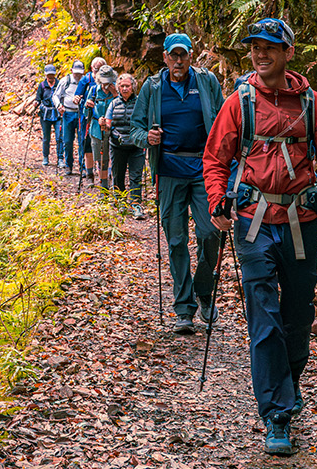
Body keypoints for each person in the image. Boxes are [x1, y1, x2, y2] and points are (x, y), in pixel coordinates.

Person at [205, 18, 317, 456]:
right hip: (253, 223)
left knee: (297, 315)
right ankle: (276, 414)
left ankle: (289, 381)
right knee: (263, 317)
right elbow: (216, 158)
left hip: (301, 222)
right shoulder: (240, 102)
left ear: (288, 52)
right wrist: (218, 201)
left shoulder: (311, 103)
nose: (260, 54)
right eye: (255, 47)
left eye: (270, 47)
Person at [126, 34, 225, 335]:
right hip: (168, 170)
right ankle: (184, 308)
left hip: (203, 168)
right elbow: (135, 127)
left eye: (183, 55)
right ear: (166, 58)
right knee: (176, 240)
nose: (178, 61)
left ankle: (204, 291)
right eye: (173, 56)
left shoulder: (207, 82)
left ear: (190, 56)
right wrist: (148, 139)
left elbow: (224, 122)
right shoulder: (152, 88)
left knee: (211, 233)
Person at [103, 72, 144, 219]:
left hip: (136, 146)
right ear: (118, 88)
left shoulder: (140, 103)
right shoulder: (113, 103)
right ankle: (120, 201)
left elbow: (145, 121)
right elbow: (108, 123)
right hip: (117, 145)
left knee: (136, 176)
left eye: (128, 86)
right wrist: (104, 125)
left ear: (133, 87)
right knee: (118, 175)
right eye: (122, 86)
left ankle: (136, 205)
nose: (125, 89)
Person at [52, 61, 87, 175]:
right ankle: (68, 165)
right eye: (76, 73)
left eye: (80, 73)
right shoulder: (65, 81)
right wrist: (58, 106)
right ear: (71, 71)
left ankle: (83, 167)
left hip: (81, 114)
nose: (77, 75)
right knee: (67, 141)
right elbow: (56, 96)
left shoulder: (86, 81)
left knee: (82, 140)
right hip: (68, 113)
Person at [89, 64, 118, 187]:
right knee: (101, 160)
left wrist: (115, 94)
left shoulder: (116, 90)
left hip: (113, 129)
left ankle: (114, 183)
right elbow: (87, 112)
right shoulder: (94, 90)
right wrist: (88, 106)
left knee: (112, 157)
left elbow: (123, 108)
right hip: (97, 129)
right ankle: (103, 185)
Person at [35, 65, 61, 167]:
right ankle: (45, 157)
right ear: (46, 75)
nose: (50, 76)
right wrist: (36, 103)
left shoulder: (59, 84)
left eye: (52, 74)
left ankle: (60, 158)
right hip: (45, 114)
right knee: (46, 137)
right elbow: (38, 97)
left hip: (57, 113)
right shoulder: (42, 85)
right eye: (49, 74)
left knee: (59, 137)